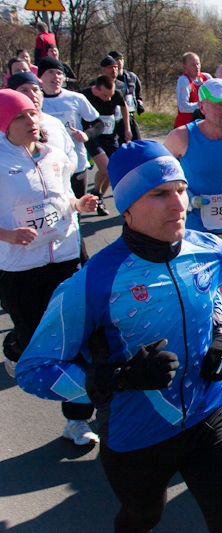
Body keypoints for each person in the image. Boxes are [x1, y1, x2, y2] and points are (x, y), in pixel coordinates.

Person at [16, 140, 222, 532]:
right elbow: (33, 370)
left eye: (180, 189)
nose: (178, 204)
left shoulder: (209, 249)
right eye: (159, 194)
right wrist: (115, 379)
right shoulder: (91, 284)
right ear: (126, 207)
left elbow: (213, 301)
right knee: (142, 518)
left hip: (209, 418)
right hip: (137, 437)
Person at [0, 89, 99, 445]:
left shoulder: (55, 154)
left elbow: (61, 200)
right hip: (21, 268)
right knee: (36, 343)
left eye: (33, 115)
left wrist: (79, 204)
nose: (32, 122)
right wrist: (8, 235)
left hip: (67, 259)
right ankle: (16, 347)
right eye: (21, 117)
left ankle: (78, 419)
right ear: (3, 124)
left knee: (81, 338)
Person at [164, 78, 222, 321]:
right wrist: (185, 196)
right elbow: (158, 179)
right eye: (219, 105)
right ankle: (210, 334)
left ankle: (209, 332)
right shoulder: (181, 137)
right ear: (202, 107)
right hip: (199, 227)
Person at [38, 57, 105, 221]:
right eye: (51, 72)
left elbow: (98, 123)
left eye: (59, 73)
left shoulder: (76, 98)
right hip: (45, 168)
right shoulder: (35, 101)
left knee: (76, 214)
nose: (56, 77)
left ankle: (75, 245)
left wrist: (86, 135)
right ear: (40, 76)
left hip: (76, 164)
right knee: (52, 215)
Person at [82, 72, 132, 216]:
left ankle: (98, 195)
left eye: (110, 95)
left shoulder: (114, 94)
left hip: (110, 136)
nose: (109, 99)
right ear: (95, 89)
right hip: (93, 136)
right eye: (105, 96)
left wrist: (127, 128)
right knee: (105, 168)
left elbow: (124, 107)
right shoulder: (84, 95)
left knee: (113, 170)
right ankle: (97, 194)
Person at [108, 50, 144, 141]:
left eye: (121, 59)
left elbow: (138, 93)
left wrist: (139, 103)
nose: (119, 62)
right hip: (116, 117)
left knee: (137, 142)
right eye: (116, 59)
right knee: (120, 143)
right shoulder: (109, 80)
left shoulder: (131, 77)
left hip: (130, 115)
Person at [173, 52, 211, 128]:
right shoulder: (183, 80)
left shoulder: (207, 77)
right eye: (193, 65)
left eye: (198, 64)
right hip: (185, 126)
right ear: (185, 67)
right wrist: (205, 105)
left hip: (202, 125)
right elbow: (183, 107)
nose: (197, 67)